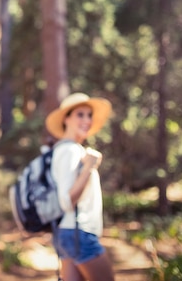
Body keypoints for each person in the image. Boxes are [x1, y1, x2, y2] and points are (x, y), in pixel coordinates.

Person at [45, 92, 115, 281]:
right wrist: (89, 167)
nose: (87, 120)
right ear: (66, 119)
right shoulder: (69, 150)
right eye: (80, 114)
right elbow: (67, 200)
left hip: (69, 234)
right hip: (78, 233)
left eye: (89, 115)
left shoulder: (68, 149)